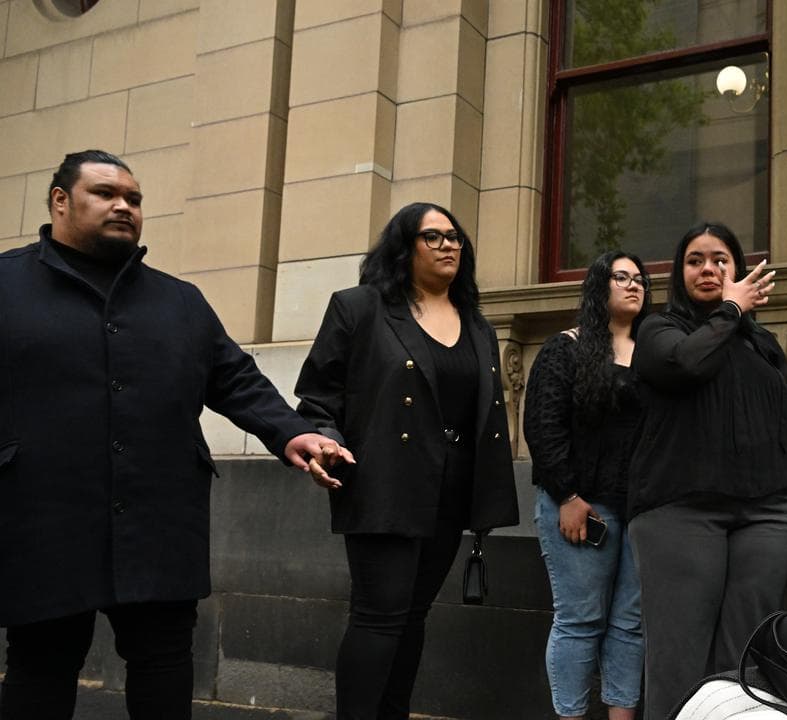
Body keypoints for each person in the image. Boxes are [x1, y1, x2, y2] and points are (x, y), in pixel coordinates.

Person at [0, 149, 349, 720]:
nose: (124, 206)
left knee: (163, 661)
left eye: (134, 199)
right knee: (41, 663)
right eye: (107, 194)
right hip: (42, 518)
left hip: (158, 516)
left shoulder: (178, 300)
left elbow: (235, 379)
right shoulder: (6, 285)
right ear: (60, 201)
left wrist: (293, 434)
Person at [293, 202, 519, 720]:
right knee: (379, 617)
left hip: (452, 492)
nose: (449, 246)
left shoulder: (478, 326)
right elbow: (319, 396)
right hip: (385, 484)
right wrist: (324, 438)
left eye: (455, 237)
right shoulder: (360, 308)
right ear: (404, 247)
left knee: (412, 615)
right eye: (433, 237)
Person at [628, 222, 787, 720]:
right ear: (679, 272)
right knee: (678, 657)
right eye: (696, 260)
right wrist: (732, 309)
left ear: (737, 267)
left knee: (743, 659)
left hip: (767, 513)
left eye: (721, 259)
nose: (709, 269)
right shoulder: (659, 330)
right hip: (680, 512)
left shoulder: (762, 345)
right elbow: (685, 365)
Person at [524, 250, 652, 720]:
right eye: (621, 277)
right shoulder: (566, 348)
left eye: (639, 279)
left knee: (629, 625)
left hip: (641, 512)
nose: (634, 285)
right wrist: (568, 497)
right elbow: (542, 427)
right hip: (581, 508)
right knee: (579, 622)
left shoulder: (655, 354)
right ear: (600, 286)